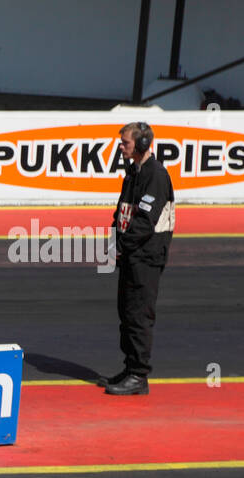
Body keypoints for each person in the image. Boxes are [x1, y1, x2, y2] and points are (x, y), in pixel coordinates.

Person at [100, 121, 175, 396]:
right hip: (131, 254)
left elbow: (144, 222)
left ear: (142, 145)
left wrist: (121, 246)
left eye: (125, 143)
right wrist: (111, 246)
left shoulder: (155, 175)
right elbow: (121, 212)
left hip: (146, 257)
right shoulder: (133, 172)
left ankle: (139, 376)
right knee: (126, 313)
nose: (121, 147)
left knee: (139, 315)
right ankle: (130, 367)